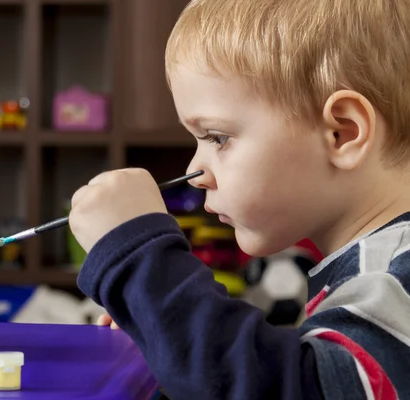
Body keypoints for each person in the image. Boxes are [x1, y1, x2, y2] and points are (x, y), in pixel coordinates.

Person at [68, 0, 410, 399]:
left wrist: (139, 257)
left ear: (342, 133)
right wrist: (171, 345)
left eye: (218, 137)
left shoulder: (394, 275)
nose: (196, 172)